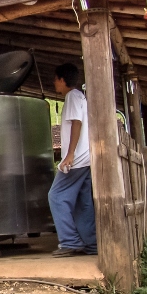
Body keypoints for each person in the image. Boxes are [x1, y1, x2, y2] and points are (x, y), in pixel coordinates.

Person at [48, 63, 97, 256]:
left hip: (76, 160)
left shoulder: (72, 97)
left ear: (62, 79)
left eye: (55, 79)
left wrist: (69, 155)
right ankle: (91, 244)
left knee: (56, 197)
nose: (54, 83)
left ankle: (70, 242)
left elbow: (76, 123)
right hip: (85, 159)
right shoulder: (79, 97)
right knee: (82, 204)